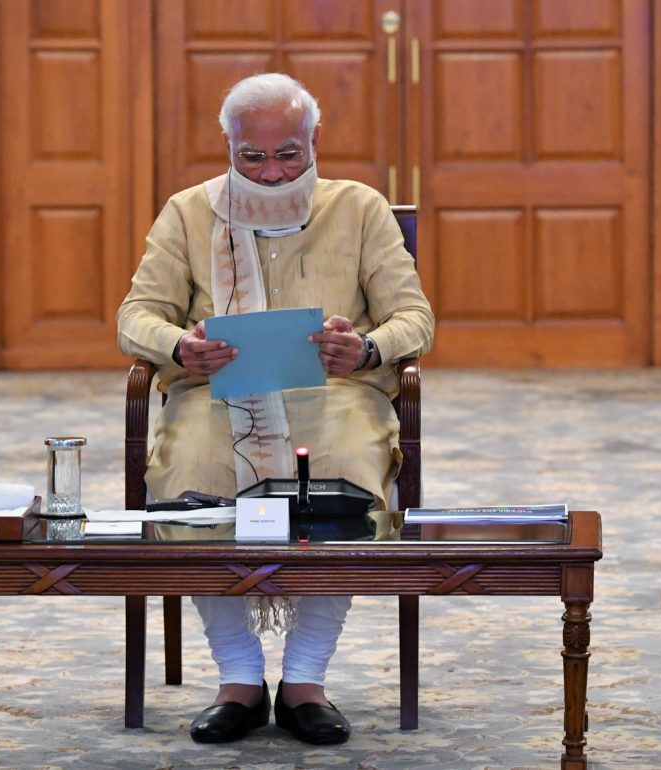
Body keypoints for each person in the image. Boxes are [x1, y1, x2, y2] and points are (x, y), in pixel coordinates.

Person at [117, 73, 434, 745]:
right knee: (190, 473)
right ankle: (238, 678)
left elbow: (415, 318)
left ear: (315, 141)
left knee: (346, 472)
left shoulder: (360, 207)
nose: (270, 172)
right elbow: (135, 315)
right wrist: (179, 345)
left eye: (287, 154)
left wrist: (367, 348)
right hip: (217, 394)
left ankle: (304, 682)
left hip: (335, 394)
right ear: (227, 145)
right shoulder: (188, 212)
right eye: (252, 156)